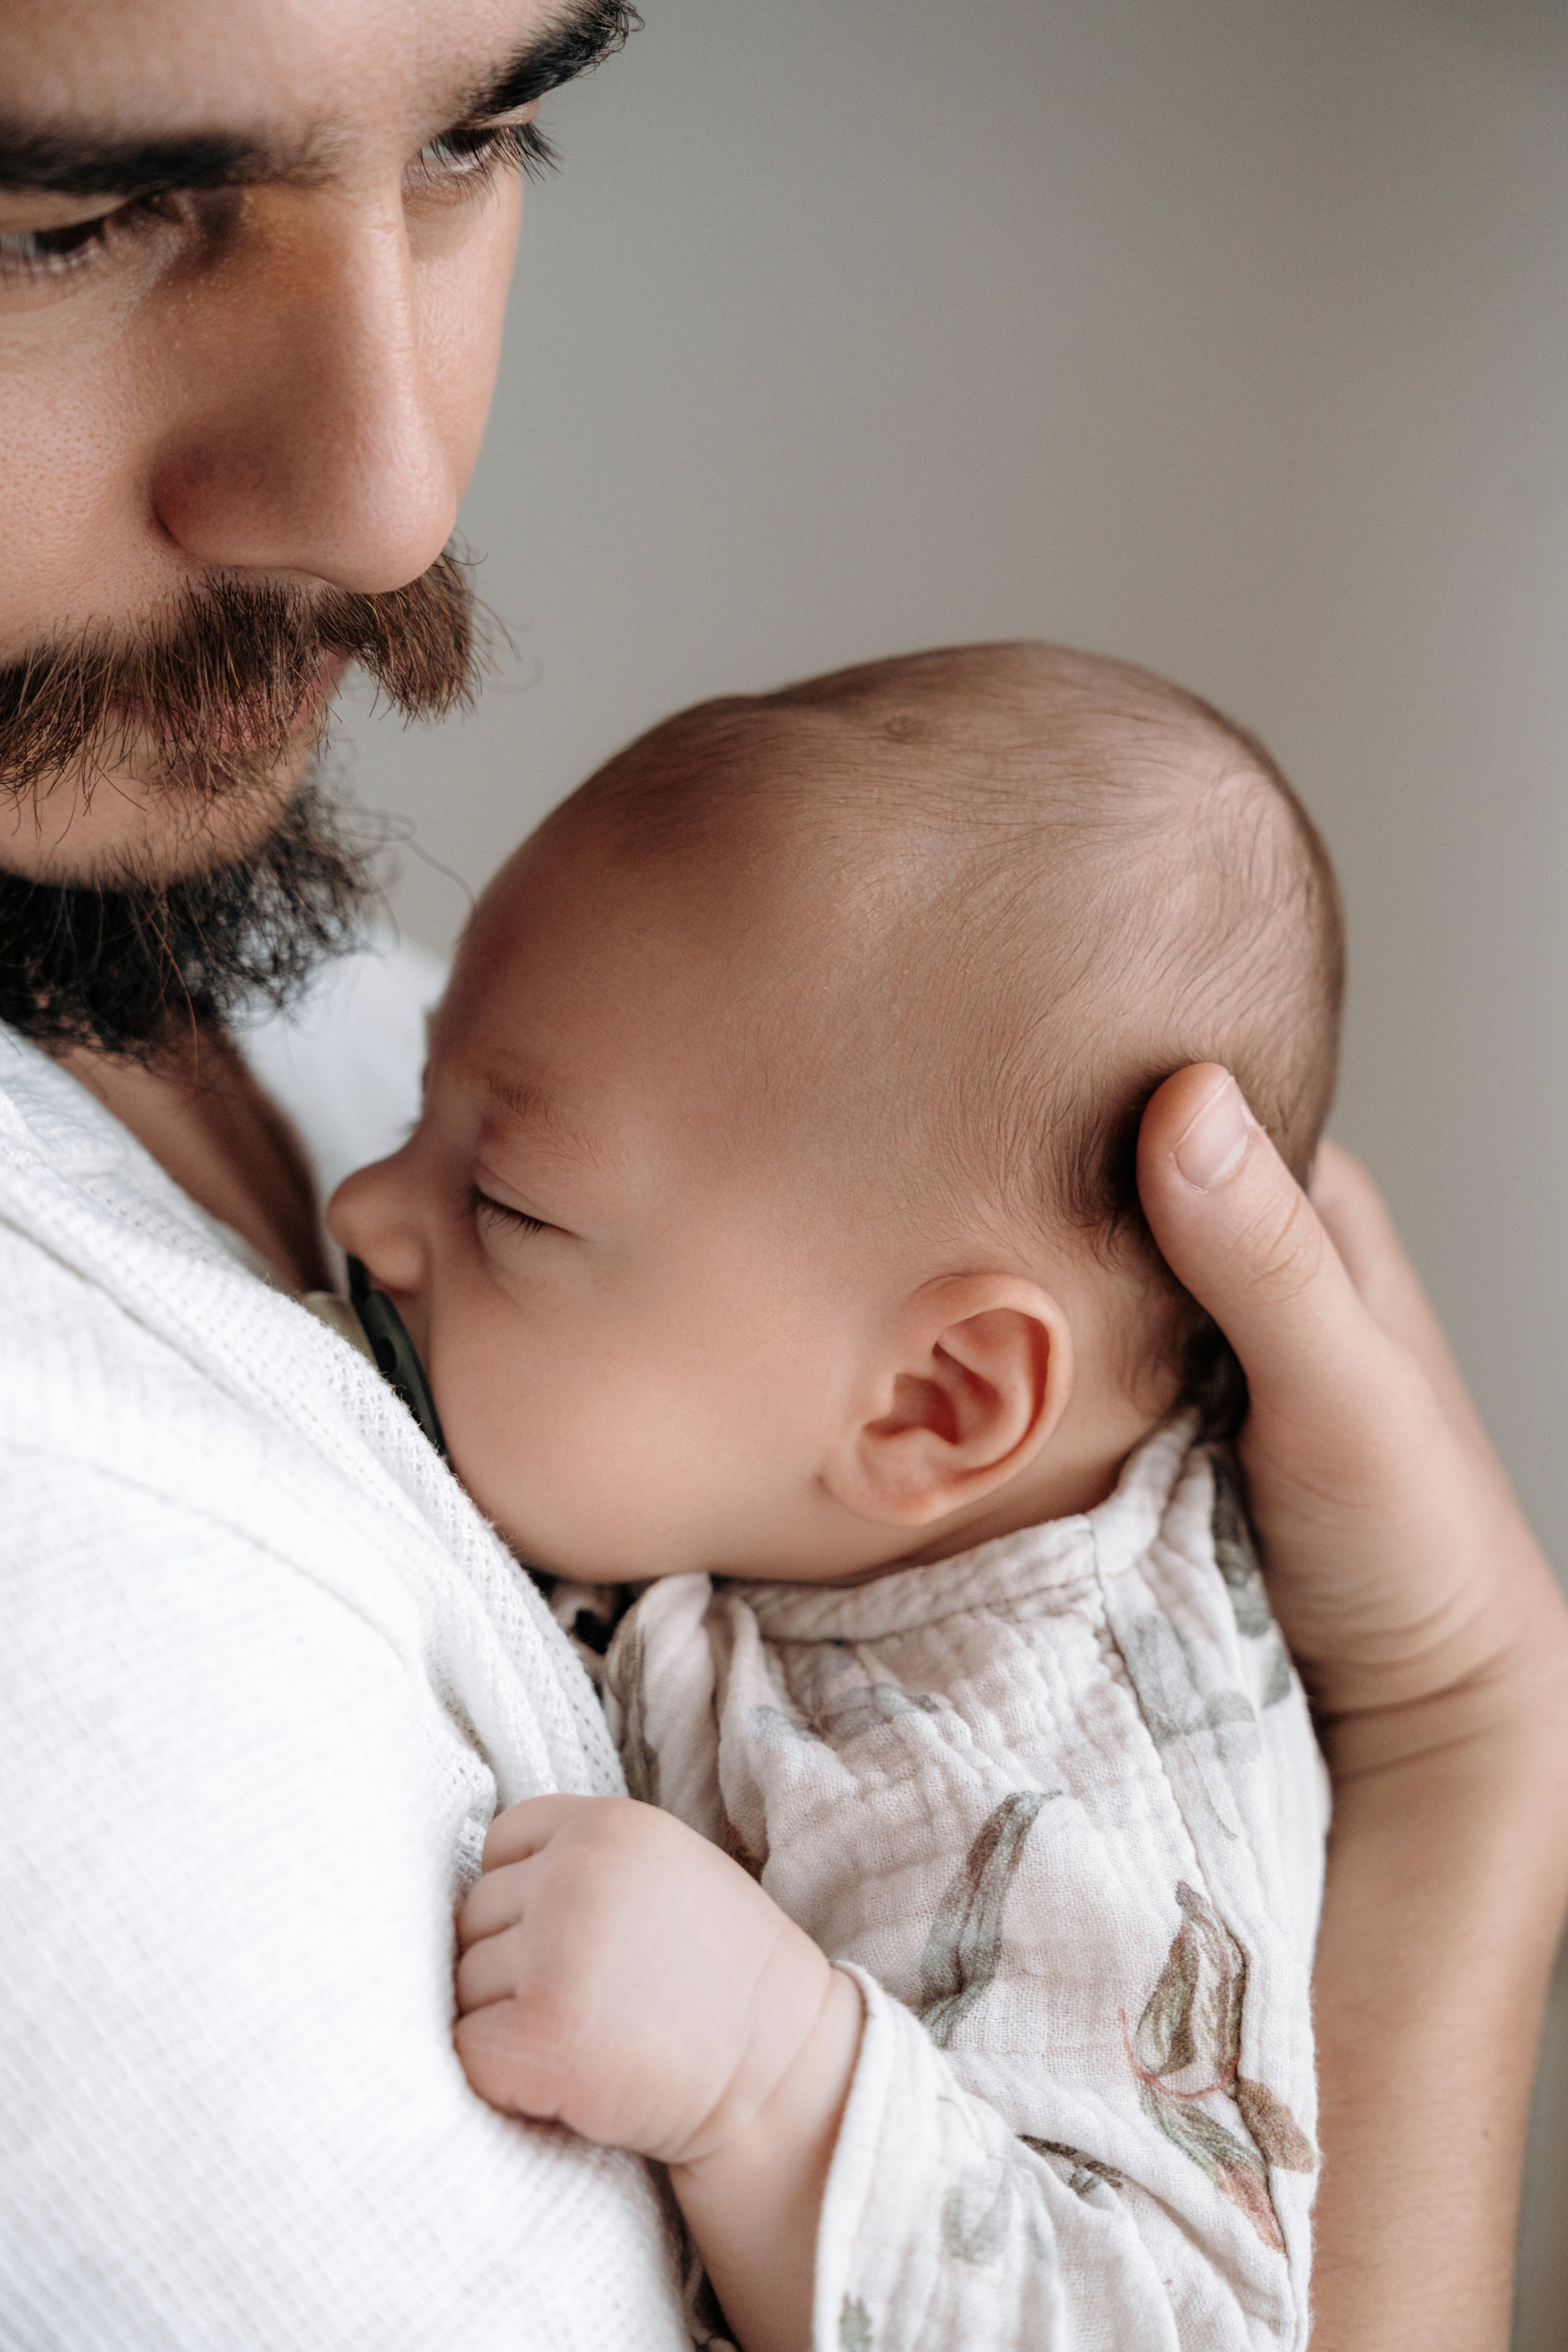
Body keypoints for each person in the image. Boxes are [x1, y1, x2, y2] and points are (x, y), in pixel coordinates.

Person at [0, 1, 1564, 2345]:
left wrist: (786, 2078)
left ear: (942, 1410)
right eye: (64, 219)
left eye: (483, 133)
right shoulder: (91, 1544)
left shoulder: (1019, 1780)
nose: (396, 491)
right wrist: (1458, 1789)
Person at [332, 641, 1342, 2352]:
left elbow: (1167, 2321)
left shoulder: (1063, 1793)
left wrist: (774, 2079)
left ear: (938, 1404)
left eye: (505, 1198)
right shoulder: (818, 1506)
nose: (365, 1206)